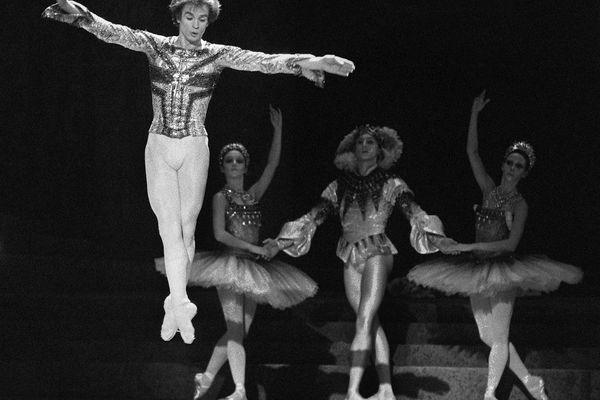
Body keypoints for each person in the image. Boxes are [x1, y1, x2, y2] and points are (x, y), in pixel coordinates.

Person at [43, 0, 354, 345]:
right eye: (189, 17)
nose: (195, 25)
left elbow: (261, 61)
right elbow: (116, 33)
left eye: (202, 19)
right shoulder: (155, 45)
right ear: (178, 17)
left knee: (187, 230)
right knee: (168, 228)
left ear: (209, 22)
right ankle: (180, 301)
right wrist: (80, 15)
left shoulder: (216, 54)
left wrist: (308, 61)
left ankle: (174, 303)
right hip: (159, 144)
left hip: (194, 146)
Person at [407, 91, 583, 400]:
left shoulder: (521, 203)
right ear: (503, 164)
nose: (512, 168)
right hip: (476, 268)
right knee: (487, 335)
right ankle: (530, 382)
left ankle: (490, 394)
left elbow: (511, 242)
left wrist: (465, 247)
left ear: (524, 173)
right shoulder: (488, 189)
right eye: (510, 162)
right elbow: (472, 152)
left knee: (499, 335)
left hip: (503, 268)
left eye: (519, 166)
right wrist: (474, 114)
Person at [272, 125, 456, 400]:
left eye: (370, 142)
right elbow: (312, 217)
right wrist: (279, 242)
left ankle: (353, 391)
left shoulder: (391, 183)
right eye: (360, 142)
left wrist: (438, 239)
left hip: (377, 251)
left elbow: (414, 213)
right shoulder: (338, 186)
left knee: (364, 319)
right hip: (349, 254)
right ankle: (385, 389)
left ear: (380, 150)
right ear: (352, 150)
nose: (364, 146)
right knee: (368, 321)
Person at [156, 105, 318, 400]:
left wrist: (279, 132)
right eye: (229, 161)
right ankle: (240, 390)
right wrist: (255, 247)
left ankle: (205, 378)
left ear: (245, 166)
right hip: (229, 267)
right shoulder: (220, 197)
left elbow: (272, 165)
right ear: (223, 166)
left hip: (254, 268)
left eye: (238, 161)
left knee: (238, 332)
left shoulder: (252, 195)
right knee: (234, 328)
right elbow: (220, 234)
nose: (233, 164)